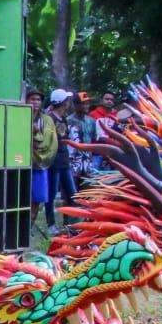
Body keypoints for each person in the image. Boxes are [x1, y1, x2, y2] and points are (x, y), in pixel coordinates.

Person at [45, 89, 77, 231]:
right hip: (53, 161)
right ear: (63, 102)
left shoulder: (63, 118)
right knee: (51, 194)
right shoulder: (49, 119)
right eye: (67, 100)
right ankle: (51, 223)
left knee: (72, 193)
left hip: (64, 160)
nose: (69, 103)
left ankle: (70, 223)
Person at [28, 88, 55, 234]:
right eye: (32, 99)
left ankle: (28, 229)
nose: (36, 102)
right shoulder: (20, 117)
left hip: (40, 165)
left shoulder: (47, 120)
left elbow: (48, 142)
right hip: (21, 163)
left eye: (38, 100)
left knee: (36, 200)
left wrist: (35, 133)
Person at [65, 96, 102, 188]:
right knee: (71, 185)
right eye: (83, 103)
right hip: (72, 158)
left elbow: (94, 138)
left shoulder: (92, 121)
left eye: (87, 103)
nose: (86, 106)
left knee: (87, 185)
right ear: (76, 105)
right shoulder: (68, 121)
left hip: (87, 158)